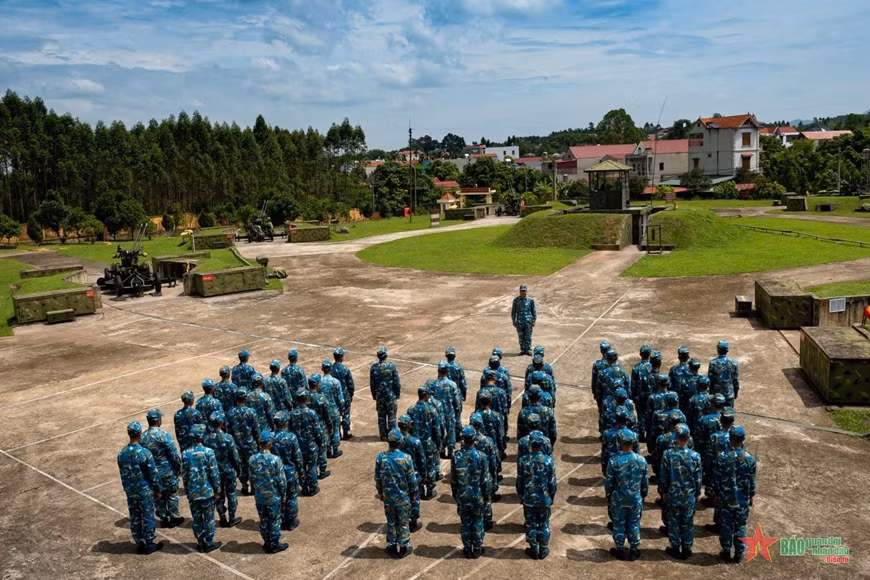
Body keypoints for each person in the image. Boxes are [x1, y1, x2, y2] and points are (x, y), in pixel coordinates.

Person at [117, 421, 163, 554]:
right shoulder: (145, 453)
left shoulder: (121, 453)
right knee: (147, 515)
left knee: (135, 516)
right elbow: (153, 474)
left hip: (131, 491)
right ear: (140, 433)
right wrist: (158, 489)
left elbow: (122, 473)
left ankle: (139, 542)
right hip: (144, 491)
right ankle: (149, 543)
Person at [659, 424, 702, 560]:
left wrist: (663, 492)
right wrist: (697, 493)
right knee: (688, 522)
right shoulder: (695, 456)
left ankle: (675, 547)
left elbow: (663, 476)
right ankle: (687, 548)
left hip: (673, 495)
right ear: (688, 438)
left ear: (676, 437)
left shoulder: (668, 455)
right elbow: (698, 478)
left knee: (674, 522)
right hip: (688, 496)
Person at [375, 428, 419, 558]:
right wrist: (413, 495)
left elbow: (378, 479)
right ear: (400, 442)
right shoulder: (406, 458)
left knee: (391, 522)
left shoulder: (381, 458)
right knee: (403, 522)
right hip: (403, 498)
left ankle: (392, 546)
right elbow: (412, 480)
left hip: (389, 498)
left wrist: (381, 493)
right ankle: (404, 547)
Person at [605, 429, 648, 561]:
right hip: (635, 498)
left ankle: (620, 549)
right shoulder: (641, 460)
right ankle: (634, 550)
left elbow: (609, 483)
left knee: (618, 524)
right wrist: (643, 495)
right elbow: (644, 483)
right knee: (634, 523)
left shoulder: (614, 461)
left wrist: (608, 496)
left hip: (619, 498)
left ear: (619, 442)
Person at [715, 426, 756, 563]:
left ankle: (726, 551)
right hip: (742, 500)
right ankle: (739, 553)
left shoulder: (722, 457)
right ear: (743, 439)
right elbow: (752, 481)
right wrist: (751, 496)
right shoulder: (750, 459)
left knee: (726, 525)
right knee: (740, 526)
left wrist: (716, 494)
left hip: (726, 499)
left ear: (730, 439)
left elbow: (717, 479)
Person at [451, 426, 491, 559]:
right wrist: (487, 496)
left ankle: (467, 549)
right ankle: (477, 548)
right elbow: (485, 480)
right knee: (477, 521)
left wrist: (455, 495)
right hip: (477, 496)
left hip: (463, 496)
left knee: (465, 523)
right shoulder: (481, 457)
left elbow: (454, 480)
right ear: (474, 439)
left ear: (463, 439)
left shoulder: (456, 456)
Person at [181, 424, 222, 553]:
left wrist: (187, 491)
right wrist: (218, 490)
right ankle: (208, 542)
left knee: (197, 519)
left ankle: (200, 542)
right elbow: (214, 473)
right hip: (207, 492)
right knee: (209, 518)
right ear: (202, 436)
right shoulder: (208, 452)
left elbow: (185, 475)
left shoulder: (186, 453)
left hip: (193, 493)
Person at [141, 409, 184, 528]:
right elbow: (173, 454)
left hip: (152, 473)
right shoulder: (164, 436)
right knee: (172, 494)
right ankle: (174, 517)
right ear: (158, 421)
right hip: (167, 471)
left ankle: (163, 517)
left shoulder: (142, 437)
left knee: (158, 496)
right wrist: (178, 467)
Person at [517, 432, 557, 560]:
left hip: (529, 499)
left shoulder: (523, 460)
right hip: (544, 499)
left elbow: (520, 481)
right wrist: (552, 497)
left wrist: (521, 496)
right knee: (544, 524)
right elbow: (552, 482)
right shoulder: (548, 461)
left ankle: (533, 549)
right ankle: (544, 549)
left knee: (531, 524)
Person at [249, 431, 288, 554]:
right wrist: (284, 495)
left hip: (260, 496)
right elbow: (282, 480)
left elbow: (251, 478)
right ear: (270, 443)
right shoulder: (275, 460)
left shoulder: (252, 459)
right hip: (273, 496)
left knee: (264, 520)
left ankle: (266, 542)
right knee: (274, 520)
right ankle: (274, 544)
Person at [203, 411, 242, 528]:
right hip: (228, 471)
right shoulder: (227, 438)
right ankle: (232, 517)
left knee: (218, 494)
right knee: (231, 494)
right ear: (222, 422)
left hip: (214, 472)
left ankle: (222, 517)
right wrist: (238, 469)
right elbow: (234, 457)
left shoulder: (206, 439)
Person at [407, 385, 442, 499]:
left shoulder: (411, 410)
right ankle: (430, 491)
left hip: (415, 444)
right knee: (430, 466)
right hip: (428, 443)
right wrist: (438, 444)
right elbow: (436, 430)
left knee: (417, 465)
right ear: (426, 396)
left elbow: (408, 427)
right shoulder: (432, 410)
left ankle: (420, 490)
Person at [272, 411, 303, 531]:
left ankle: (281, 520)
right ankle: (291, 521)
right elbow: (297, 457)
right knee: (291, 498)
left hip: (275, 474)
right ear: (285, 423)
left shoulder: (270, 438)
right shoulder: (291, 437)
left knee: (279, 497)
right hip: (289, 473)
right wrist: (301, 471)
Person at [289, 390, 323, 496]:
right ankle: (312, 488)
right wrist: (320, 442)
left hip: (298, 446)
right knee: (312, 466)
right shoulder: (311, 413)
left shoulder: (291, 414)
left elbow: (290, 431)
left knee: (301, 467)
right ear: (306, 398)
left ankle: (304, 487)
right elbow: (317, 431)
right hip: (310, 445)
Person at [469, 412, 499, 531]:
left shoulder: (465, 442)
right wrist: (494, 479)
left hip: (471, 478)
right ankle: (486, 521)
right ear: (481, 425)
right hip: (486, 476)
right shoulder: (488, 441)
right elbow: (493, 461)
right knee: (487, 500)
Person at [397, 415, 426, 532]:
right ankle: (413, 522)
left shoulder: (395, 440)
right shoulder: (415, 441)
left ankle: (401, 521)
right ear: (409, 426)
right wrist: (424, 475)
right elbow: (422, 460)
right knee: (414, 498)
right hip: (413, 475)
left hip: (399, 476)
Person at [227, 388, 258, 496]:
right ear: (246, 398)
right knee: (253, 465)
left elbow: (228, 431)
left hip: (237, 444)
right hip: (250, 443)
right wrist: (258, 442)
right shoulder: (251, 412)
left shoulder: (230, 413)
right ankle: (254, 487)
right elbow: (256, 429)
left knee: (241, 466)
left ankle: (244, 485)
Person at [698, 395, 726, 503]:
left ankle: (710, 496)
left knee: (710, 472)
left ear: (713, 405)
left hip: (709, 451)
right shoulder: (727, 418)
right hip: (723, 452)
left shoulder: (705, 419)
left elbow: (699, 438)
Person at [370, 346, 401, 440]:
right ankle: (392, 436)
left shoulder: (374, 368)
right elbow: (397, 382)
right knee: (392, 417)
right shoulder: (392, 367)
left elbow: (372, 383)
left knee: (381, 417)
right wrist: (397, 394)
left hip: (380, 396)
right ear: (386, 355)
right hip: (391, 396)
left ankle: (383, 435)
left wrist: (374, 395)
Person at [432, 361, 461, 458]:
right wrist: (457, 412)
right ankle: (451, 451)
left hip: (438, 413)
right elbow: (456, 401)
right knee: (450, 431)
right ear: (448, 371)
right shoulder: (452, 385)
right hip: (449, 412)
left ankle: (441, 450)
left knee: (439, 432)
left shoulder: (434, 385)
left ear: (438, 371)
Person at [306, 375, 333, 480]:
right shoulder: (321, 398)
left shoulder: (304, 397)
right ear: (317, 384)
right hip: (321, 426)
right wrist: (330, 427)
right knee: (322, 448)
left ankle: (313, 471)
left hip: (308, 428)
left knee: (311, 449)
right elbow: (327, 415)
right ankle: (322, 471)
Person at [319, 361, 345, 458]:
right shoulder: (336, 382)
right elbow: (340, 399)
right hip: (334, 410)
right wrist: (342, 409)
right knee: (336, 430)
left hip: (323, 412)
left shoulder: (319, 382)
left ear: (322, 369)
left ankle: (328, 450)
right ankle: (335, 449)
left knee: (326, 430)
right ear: (331, 369)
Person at [600, 407, 637, 476]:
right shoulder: (633, 435)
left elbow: (604, 453)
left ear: (616, 420)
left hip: (612, 465)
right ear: (627, 421)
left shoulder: (607, 434)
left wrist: (604, 468)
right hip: (628, 466)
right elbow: (636, 453)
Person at [476, 390, 505, 466]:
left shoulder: (475, 415)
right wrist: (502, 447)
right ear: (490, 401)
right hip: (493, 445)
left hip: (479, 446)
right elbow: (500, 434)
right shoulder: (496, 415)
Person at [332, 347, 355, 440]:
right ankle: (345, 432)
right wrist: (351, 393)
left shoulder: (330, 369)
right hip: (345, 394)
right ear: (341, 357)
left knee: (336, 413)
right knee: (346, 413)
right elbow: (350, 384)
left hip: (334, 395)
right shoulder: (345, 369)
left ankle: (338, 433)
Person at [708, 340, 739, 409]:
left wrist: (710, 394)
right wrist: (736, 392)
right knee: (728, 415)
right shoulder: (734, 363)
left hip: (717, 395)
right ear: (727, 350)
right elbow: (735, 380)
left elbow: (710, 381)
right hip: (729, 394)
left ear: (718, 350)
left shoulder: (713, 363)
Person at [511, 284, 537, 355]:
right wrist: (513, 320)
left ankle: (528, 349)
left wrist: (534, 320)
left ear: (526, 291)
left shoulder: (530, 300)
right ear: (519, 291)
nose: (523, 292)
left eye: (524, 291)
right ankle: (523, 350)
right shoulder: (516, 300)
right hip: (519, 322)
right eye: (521, 291)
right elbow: (513, 311)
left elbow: (533, 311)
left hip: (528, 322)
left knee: (528, 336)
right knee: (521, 336)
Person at [591, 340, 612, 411]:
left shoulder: (597, 365)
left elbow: (594, 381)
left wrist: (595, 394)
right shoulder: (614, 364)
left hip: (601, 395)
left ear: (601, 351)